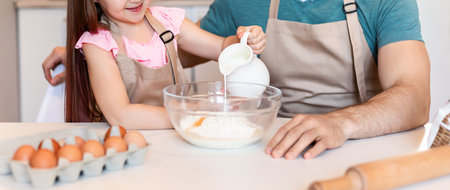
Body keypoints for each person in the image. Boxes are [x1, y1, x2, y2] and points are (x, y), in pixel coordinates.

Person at [43, 0, 430, 160]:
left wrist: (340, 123)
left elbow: (414, 96)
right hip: (264, 145)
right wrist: (97, 54)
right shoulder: (239, 1)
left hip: (359, 147)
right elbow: (190, 47)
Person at [63, 0, 265, 129]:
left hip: (181, 135)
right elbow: (121, 116)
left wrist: (244, 39)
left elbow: (221, 47)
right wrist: (193, 111)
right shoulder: (98, 43)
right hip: (131, 143)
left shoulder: (167, 21)